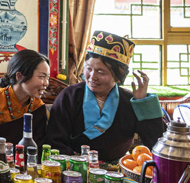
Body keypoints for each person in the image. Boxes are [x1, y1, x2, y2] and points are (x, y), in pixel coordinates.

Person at [45, 30, 166, 162]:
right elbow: (55, 141)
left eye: (101, 72)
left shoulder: (129, 101)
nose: (92, 77)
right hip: (74, 166)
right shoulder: (70, 96)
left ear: (117, 76)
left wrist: (142, 103)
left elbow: (157, 141)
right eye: (89, 69)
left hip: (116, 169)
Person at [0, 49, 50, 156]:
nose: (46, 83)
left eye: (47, 78)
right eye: (41, 77)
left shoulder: (38, 106)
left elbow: (37, 149)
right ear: (20, 76)